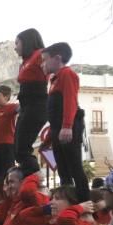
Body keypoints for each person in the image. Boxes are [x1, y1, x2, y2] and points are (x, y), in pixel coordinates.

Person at [42, 42, 89, 201]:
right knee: (63, 170)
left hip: (68, 128)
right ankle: (68, 203)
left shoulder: (67, 74)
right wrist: (49, 138)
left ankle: (84, 203)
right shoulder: (53, 80)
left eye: (45, 59)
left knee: (75, 168)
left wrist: (67, 126)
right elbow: (54, 115)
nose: (43, 63)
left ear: (57, 58)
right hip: (58, 129)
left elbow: (70, 101)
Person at [12, 28, 47, 177]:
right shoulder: (25, 61)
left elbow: (51, 74)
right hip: (26, 106)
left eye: (17, 43)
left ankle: (36, 179)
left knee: (22, 149)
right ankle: (30, 177)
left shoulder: (40, 55)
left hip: (36, 105)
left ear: (26, 42)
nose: (15, 47)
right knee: (17, 149)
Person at [0, 85, 18, 178]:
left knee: (7, 169)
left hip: (7, 143)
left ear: (6, 97)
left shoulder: (12, 107)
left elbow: (21, 108)